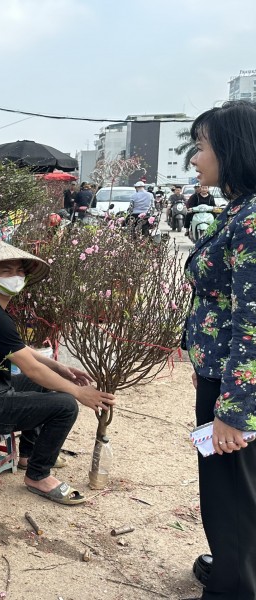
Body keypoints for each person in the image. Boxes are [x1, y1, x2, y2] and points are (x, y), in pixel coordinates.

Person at [0, 241, 115, 505]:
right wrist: (77, 392)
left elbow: (22, 352)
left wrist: (60, 367)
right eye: (7, 271)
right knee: (65, 404)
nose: (16, 277)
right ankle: (37, 475)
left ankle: (30, 455)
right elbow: (30, 367)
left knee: (44, 384)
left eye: (19, 271)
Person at [183, 100, 256, 599]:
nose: (194, 157)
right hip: (223, 375)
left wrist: (233, 408)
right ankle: (235, 567)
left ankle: (233, 587)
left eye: (202, 146)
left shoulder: (251, 221)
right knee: (238, 495)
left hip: (236, 390)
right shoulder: (239, 209)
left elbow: (252, 322)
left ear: (232, 149)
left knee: (230, 498)